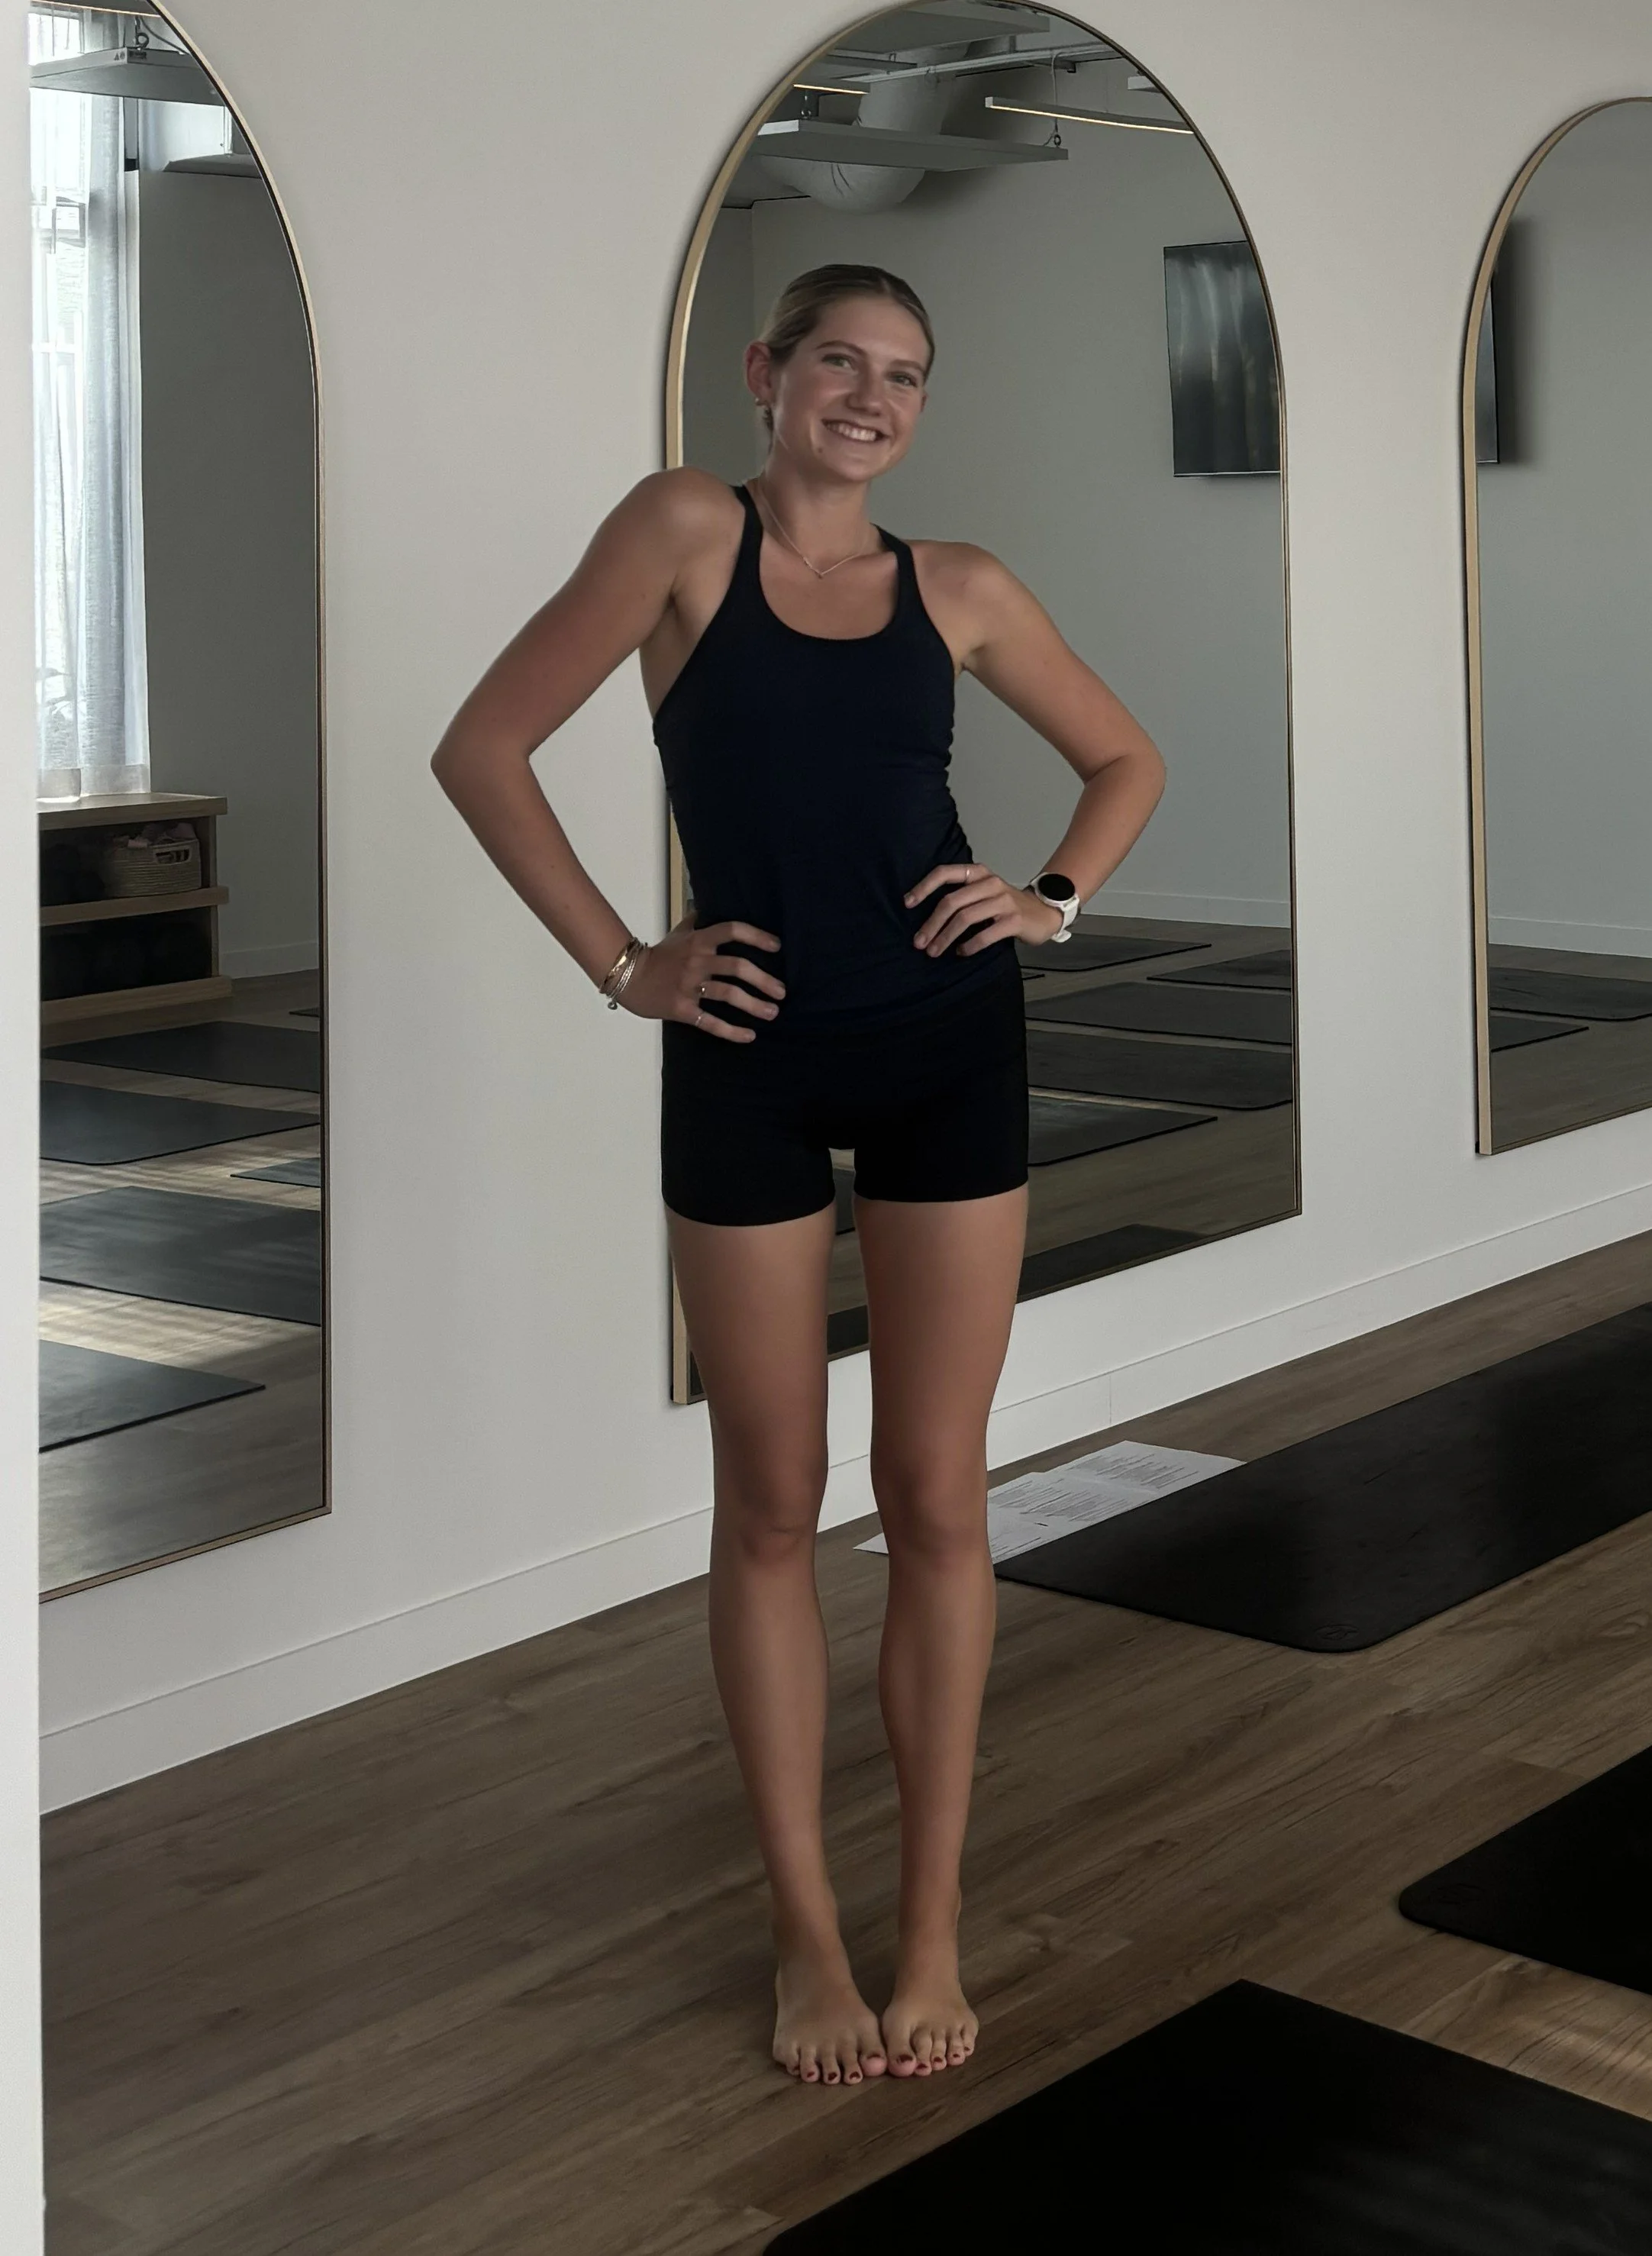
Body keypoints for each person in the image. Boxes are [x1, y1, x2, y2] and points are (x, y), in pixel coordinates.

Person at [431, 263, 1164, 2087]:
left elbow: (1122, 757)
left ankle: (930, 1928)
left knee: (936, 1494)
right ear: (765, 373)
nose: (869, 396)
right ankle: (804, 1932)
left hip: (945, 1045)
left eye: (903, 374)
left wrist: (1046, 898)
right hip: (744, 1053)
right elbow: (481, 746)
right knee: (769, 1500)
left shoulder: (960, 586)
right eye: (838, 359)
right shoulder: (685, 532)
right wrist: (626, 961)